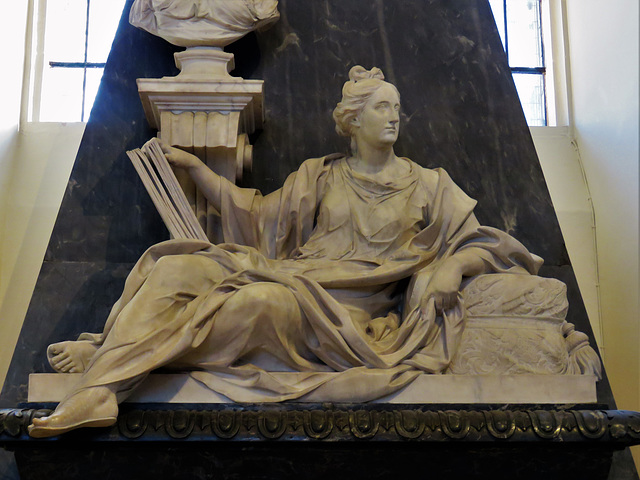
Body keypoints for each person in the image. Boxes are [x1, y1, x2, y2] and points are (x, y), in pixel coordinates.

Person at [28, 66, 542, 438]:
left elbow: (484, 242)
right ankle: (101, 387)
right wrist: (197, 169)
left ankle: (111, 366)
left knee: (256, 306)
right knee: (179, 263)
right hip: (292, 272)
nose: (394, 117)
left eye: (396, 107)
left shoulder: (430, 184)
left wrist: (452, 264)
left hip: (350, 309)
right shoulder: (321, 174)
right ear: (353, 120)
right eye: (382, 107)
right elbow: (256, 218)